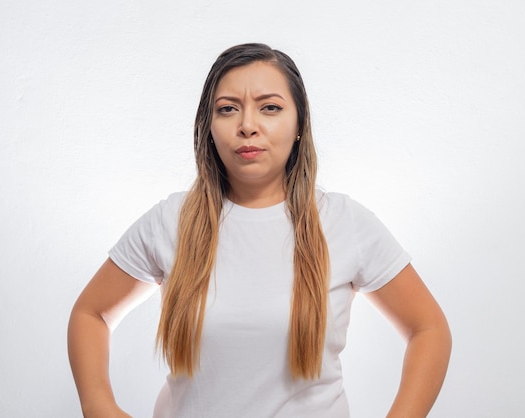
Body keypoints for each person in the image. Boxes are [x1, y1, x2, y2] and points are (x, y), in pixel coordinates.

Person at [67, 43, 452, 418]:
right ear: (209, 128)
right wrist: (98, 406)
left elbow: (429, 329)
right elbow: (91, 313)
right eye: (228, 109)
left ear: (299, 123)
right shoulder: (172, 220)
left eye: (269, 108)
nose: (247, 126)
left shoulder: (343, 222)